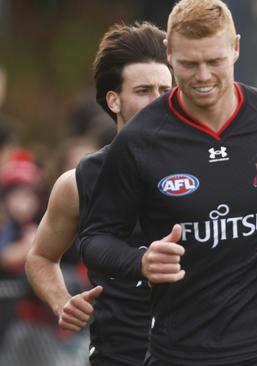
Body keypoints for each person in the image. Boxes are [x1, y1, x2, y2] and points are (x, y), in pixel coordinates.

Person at [78, 0, 257, 365]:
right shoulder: (139, 139)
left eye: (215, 61)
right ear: (169, 53)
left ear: (235, 47)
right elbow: (95, 238)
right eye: (189, 64)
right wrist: (140, 261)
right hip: (180, 351)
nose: (203, 76)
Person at [24, 22, 172, 366]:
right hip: (117, 355)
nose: (158, 101)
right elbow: (40, 257)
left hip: (199, 351)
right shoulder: (78, 181)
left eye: (165, 89)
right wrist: (62, 300)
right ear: (113, 99)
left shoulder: (209, 165)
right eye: (144, 90)